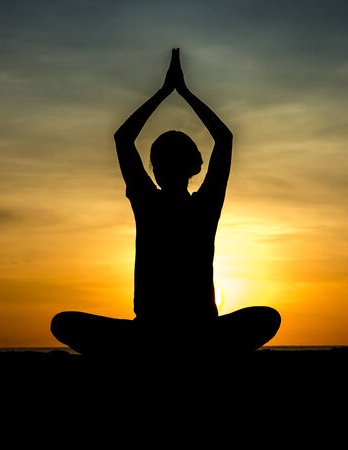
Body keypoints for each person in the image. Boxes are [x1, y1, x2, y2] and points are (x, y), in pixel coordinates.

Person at [51, 49, 280, 356]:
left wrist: (166, 91)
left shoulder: (154, 203)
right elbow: (224, 139)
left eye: (159, 163)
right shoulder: (197, 205)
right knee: (266, 318)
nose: (158, 169)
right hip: (180, 332)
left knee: (64, 323)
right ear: (193, 167)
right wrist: (181, 92)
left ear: (162, 169)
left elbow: (123, 138)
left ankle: (147, 353)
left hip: (160, 333)